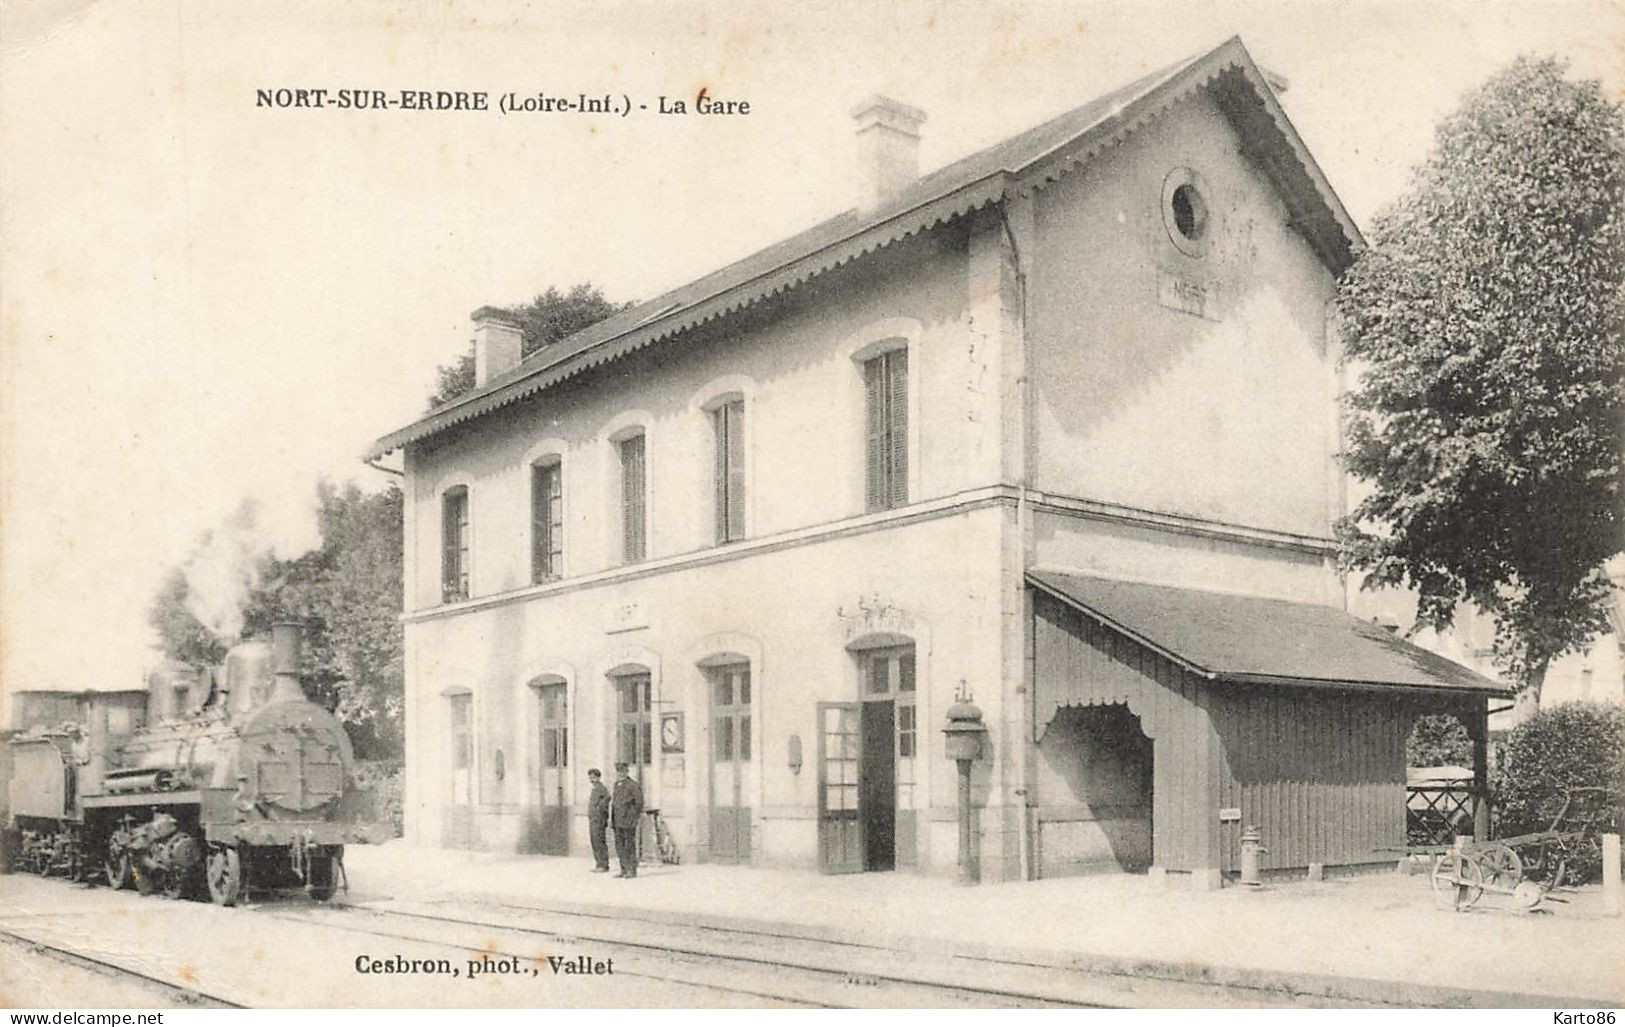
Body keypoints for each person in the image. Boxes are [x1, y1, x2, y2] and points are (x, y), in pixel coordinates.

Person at [610, 762, 644, 879]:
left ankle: (632, 870)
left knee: (629, 845)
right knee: (620, 846)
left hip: (628, 821)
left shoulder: (632, 785)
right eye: (618, 771)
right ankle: (623, 869)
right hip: (617, 821)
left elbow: (639, 803)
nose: (620, 773)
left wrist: (631, 816)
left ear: (627, 771)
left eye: (622, 771)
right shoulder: (616, 785)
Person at [586, 769, 611, 872]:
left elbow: (607, 798)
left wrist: (598, 811)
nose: (591, 779)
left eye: (593, 777)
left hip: (598, 820)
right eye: (590, 777)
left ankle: (603, 865)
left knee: (599, 841)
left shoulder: (601, 788)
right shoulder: (595, 788)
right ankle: (599, 864)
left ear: (598, 777)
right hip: (593, 819)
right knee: (594, 841)